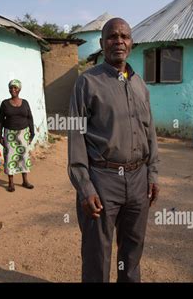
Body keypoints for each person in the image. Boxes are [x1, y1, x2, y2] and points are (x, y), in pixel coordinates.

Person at [68, 18, 160, 282]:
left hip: (138, 179)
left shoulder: (140, 85)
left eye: (124, 36)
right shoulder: (86, 83)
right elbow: (76, 137)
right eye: (112, 36)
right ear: (101, 43)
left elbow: (150, 132)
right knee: (97, 253)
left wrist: (152, 174)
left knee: (132, 251)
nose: (118, 41)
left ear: (131, 43)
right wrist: (85, 187)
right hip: (102, 179)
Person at [0, 79, 35, 192]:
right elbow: (1, 121)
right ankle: (11, 183)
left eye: (15, 88)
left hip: (23, 133)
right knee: (10, 157)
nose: (13, 90)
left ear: (19, 89)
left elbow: (30, 118)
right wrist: (0, 136)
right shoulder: (4, 103)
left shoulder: (25, 103)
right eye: (11, 88)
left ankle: (25, 181)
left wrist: (32, 133)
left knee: (24, 156)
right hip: (10, 134)